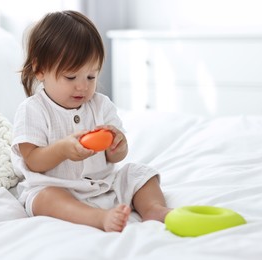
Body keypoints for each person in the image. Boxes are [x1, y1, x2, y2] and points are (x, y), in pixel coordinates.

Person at [11, 10, 171, 232]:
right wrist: (62, 150)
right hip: (58, 187)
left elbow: (116, 156)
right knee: (45, 198)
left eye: (91, 76)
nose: (83, 86)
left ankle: (153, 209)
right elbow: (32, 161)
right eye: (71, 77)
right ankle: (98, 217)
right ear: (40, 70)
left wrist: (118, 145)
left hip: (103, 185)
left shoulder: (101, 105)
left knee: (139, 173)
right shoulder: (33, 110)